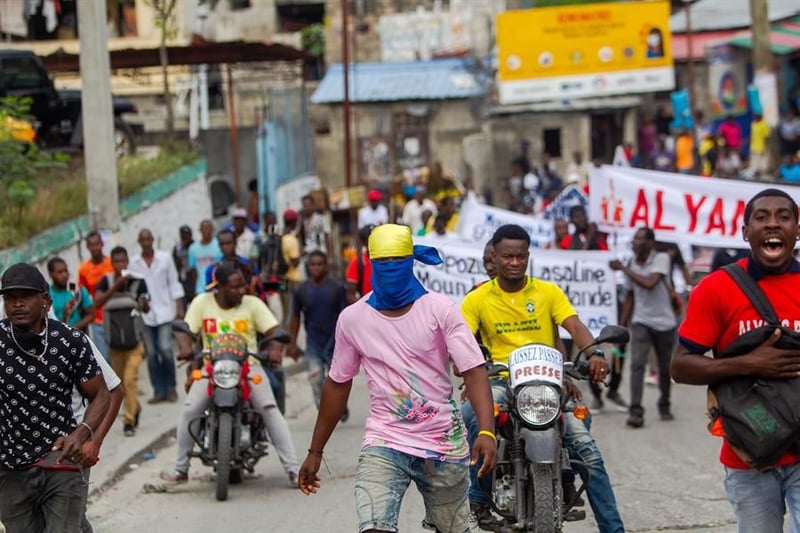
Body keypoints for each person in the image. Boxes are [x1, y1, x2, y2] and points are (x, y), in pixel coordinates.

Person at [297, 224, 498, 533]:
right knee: (374, 527)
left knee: (454, 529)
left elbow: (473, 369)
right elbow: (338, 383)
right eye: (382, 262)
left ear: (410, 260)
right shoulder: (353, 319)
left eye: (397, 261)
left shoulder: (440, 310)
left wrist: (486, 431)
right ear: (370, 262)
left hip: (442, 442)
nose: (390, 268)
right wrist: (315, 451)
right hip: (385, 440)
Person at [460, 224, 624, 533]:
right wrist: (467, 369)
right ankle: (478, 497)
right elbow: (464, 342)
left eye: (521, 257)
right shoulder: (476, 299)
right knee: (473, 414)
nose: (515, 263)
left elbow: (573, 325)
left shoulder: (549, 292)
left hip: (546, 382)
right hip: (501, 381)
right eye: (508, 257)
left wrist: (595, 354)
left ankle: (597, 513)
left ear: (528, 256)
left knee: (587, 446)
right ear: (494, 257)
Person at [671, 188, 800, 532]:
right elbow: (680, 366)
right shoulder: (716, 288)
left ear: (797, 229)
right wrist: (751, 363)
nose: (773, 225)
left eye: (783, 217)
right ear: (745, 232)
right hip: (749, 457)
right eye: (761, 218)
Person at [161, 261, 300, 486]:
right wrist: (185, 347)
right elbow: (186, 329)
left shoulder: (252, 304)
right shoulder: (201, 302)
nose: (241, 291)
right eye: (235, 287)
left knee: (269, 408)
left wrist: (274, 349)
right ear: (220, 287)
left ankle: (293, 470)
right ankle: (180, 469)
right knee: (190, 409)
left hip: (249, 366)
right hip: (211, 367)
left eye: (242, 286)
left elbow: (274, 331)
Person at [0, 262, 109, 533]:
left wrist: (82, 434)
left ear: (45, 301)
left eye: (25, 296)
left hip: (60, 460)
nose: (17, 304)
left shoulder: (70, 340)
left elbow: (102, 394)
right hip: (10, 468)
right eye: (10, 298)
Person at [609, 227, 677, 428]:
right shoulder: (631, 263)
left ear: (650, 243)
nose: (636, 242)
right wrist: (621, 326)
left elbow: (650, 283)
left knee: (665, 368)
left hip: (664, 323)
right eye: (635, 239)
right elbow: (630, 296)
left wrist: (623, 269)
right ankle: (636, 411)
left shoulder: (661, 258)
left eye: (640, 239)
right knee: (637, 364)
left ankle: (664, 403)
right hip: (641, 321)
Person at [94, 246, 150, 437]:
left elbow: (146, 306)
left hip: (135, 343)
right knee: (120, 386)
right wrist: (116, 287)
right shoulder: (106, 281)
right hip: (115, 345)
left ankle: (129, 421)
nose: (120, 265)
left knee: (130, 379)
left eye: (123, 261)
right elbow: (97, 302)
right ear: (112, 263)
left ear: (127, 261)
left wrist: (144, 303)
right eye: (116, 262)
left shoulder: (138, 282)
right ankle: (136, 408)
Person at [287, 251, 347, 413]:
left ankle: (340, 406)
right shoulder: (301, 290)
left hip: (335, 342)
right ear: (308, 267)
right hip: (313, 343)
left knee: (337, 379)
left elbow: (345, 316)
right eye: (313, 265)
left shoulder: (337, 288)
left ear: (326, 266)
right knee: (316, 379)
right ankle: (326, 413)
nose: (316, 268)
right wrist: (292, 343)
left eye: (319, 264)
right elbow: (295, 317)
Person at [130, 228, 185, 405]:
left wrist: (179, 307)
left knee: (165, 350)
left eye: (148, 239)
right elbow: (133, 288)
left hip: (164, 311)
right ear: (139, 242)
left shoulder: (165, 258)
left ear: (153, 240)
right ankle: (158, 390)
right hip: (146, 315)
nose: (146, 242)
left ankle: (171, 387)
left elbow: (174, 283)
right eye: (142, 240)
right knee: (152, 354)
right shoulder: (134, 263)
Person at [78, 231, 114, 361]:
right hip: (97, 319)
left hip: (114, 315)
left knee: (117, 355)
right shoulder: (84, 269)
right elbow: (83, 294)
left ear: (102, 244)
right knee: (104, 358)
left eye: (97, 244)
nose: (94, 248)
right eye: (91, 245)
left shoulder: (112, 264)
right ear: (87, 247)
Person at [48, 256, 94, 331]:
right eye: (60, 272)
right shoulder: (47, 295)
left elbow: (91, 314)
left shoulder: (77, 289)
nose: (64, 275)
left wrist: (72, 330)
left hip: (79, 335)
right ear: (51, 274)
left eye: (66, 271)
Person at [187, 219, 222, 297]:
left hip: (215, 288)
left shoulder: (219, 245)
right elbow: (193, 270)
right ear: (200, 230)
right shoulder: (193, 248)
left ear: (212, 230)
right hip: (200, 289)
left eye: (208, 228)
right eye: (204, 228)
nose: (206, 231)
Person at [280, 209, 303, 324]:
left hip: (281, 280)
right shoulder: (291, 240)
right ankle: (288, 339)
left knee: (285, 311)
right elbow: (295, 262)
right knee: (292, 312)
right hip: (292, 280)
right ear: (295, 222)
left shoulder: (279, 236)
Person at [344, 225, 374, 304]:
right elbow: (350, 294)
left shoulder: (388, 260)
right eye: (371, 240)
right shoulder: (357, 263)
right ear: (364, 242)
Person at [172, 225, 195, 305]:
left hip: (193, 281)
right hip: (183, 282)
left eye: (187, 234)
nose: (185, 237)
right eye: (183, 235)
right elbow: (174, 265)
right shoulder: (177, 248)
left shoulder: (195, 246)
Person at [749, 113, 771, 180]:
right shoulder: (753, 124)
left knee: (762, 165)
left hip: (762, 147)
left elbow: (766, 137)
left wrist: (766, 147)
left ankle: (762, 178)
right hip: (753, 147)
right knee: (754, 164)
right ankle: (755, 177)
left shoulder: (764, 124)